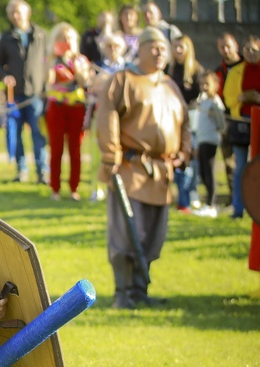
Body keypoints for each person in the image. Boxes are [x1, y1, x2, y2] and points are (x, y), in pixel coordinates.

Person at [96, 27, 191, 309]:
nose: (161, 52)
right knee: (127, 235)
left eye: (164, 47)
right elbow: (107, 116)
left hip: (162, 173)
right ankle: (123, 293)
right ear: (142, 48)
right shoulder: (123, 80)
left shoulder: (171, 86)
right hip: (130, 169)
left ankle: (140, 290)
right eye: (155, 47)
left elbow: (184, 123)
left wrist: (183, 153)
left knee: (152, 236)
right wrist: (111, 156)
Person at [0, 0, 48, 184]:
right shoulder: (7, 37)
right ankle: (21, 169)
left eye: (18, 12)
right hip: (14, 95)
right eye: (12, 13)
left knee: (38, 133)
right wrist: (4, 75)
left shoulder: (40, 35)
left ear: (27, 13)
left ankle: (42, 171)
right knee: (16, 134)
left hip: (36, 94)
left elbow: (49, 62)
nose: (15, 16)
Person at [46, 23, 92, 202]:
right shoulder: (51, 59)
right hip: (57, 107)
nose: (66, 42)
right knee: (56, 149)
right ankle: (55, 188)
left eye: (69, 38)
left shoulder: (81, 60)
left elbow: (83, 82)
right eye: (62, 38)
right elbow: (48, 81)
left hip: (76, 107)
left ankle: (74, 188)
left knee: (75, 149)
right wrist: (53, 62)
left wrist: (75, 65)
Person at [85, 32, 127, 203]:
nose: (113, 49)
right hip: (100, 115)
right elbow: (91, 91)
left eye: (116, 46)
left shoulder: (128, 68)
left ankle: (118, 190)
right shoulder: (98, 67)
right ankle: (97, 188)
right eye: (109, 46)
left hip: (122, 118)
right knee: (97, 155)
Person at [222, 35, 260, 220]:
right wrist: (241, 97)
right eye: (247, 50)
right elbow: (228, 98)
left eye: (254, 50)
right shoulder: (236, 71)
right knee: (240, 167)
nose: (250, 53)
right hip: (242, 121)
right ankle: (238, 209)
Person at [167, 36, 203, 212]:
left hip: (191, 121)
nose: (178, 51)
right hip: (171, 120)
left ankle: (189, 196)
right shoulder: (169, 69)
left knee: (189, 158)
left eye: (181, 47)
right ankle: (176, 197)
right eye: (175, 47)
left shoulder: (196, 70)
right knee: (174, 158)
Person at [192, 71, 227, 218]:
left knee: (210, 172)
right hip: (201, 140)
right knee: (203, 172)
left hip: (210, 140)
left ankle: (212, 205)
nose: (204, 87)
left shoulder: (215, 102)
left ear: (214, 85)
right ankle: (208, 203)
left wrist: (216, 115)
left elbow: (221, 124)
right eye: (201, 84)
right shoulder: (203, 101)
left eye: (207, 84)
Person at [215, 33, 243, 207]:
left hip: (246, 118)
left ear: (236, 46)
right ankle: (235, 197)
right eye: (222, 47)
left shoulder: (247, 66)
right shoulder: (220, 71)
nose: (225, 50)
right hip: (226, 119)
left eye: (228, 46)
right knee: (229, 161)